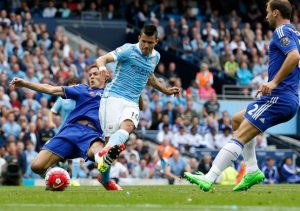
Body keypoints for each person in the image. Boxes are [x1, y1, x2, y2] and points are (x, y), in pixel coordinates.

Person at [184, 0, 300, 192]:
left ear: (276, 13)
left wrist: (274, 82)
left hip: (279, 97)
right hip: (285, 96)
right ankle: (252, 170)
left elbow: (294, 56)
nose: (266, 16)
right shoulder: (295, 33)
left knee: (239, 135)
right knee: (237, 120)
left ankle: (209, 177)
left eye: (268, 12)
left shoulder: (282, 31)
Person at [9, 65, 122, 190]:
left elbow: (137, 105)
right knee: (36, 166)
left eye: (95, 74)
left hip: (91, 134)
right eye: (90, 75)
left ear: (105, 75)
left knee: (99, 153)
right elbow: (51, 89)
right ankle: (53, 179)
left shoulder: (113, 94)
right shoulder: (82, 89)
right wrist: (25, 84)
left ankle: (104, 163)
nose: (92, 77)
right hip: (70, 131)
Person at [95, 24, 181, 172]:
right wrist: (102, 68)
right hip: (113, 97)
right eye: (143, 41)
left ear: (156, 42)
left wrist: (166, 90)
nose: (146, 45)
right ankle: (105, 175)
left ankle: (104, 154)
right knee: (110, 144)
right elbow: (102, 58)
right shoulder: (128, 49)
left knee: (128, 127)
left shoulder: (156, 57)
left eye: (150, 42)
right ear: (139, 38)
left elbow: (149, 77)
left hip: (132, 101)